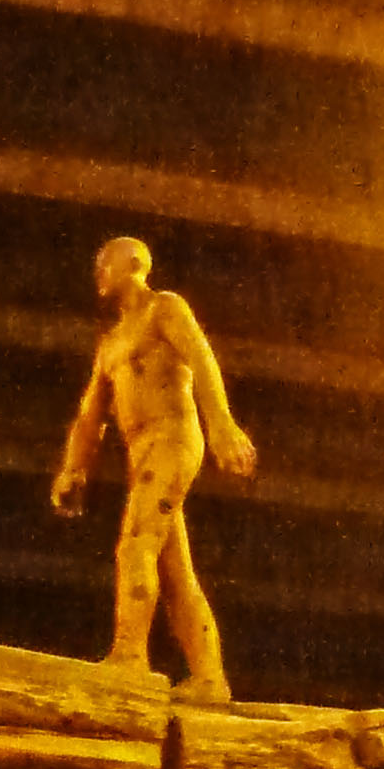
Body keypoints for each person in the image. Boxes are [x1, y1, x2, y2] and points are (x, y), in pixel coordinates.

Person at [50, 235, 257, 703]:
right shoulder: (110, 344)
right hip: (142, 454)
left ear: (133, 263)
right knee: (175, 571)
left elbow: (202, 358)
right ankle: (209, 677)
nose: (99, 273)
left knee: (135, 543)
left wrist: (221, 424)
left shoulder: (164, 309)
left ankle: (129, 653)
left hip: (173, 440)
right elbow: (89, 416)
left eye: (106, 263)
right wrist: (73, 469)